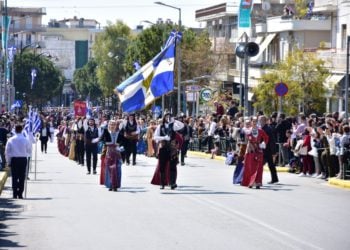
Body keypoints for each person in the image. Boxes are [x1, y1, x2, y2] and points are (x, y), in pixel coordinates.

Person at [241, 117, 269, 189]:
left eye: (256, 121)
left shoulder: (260, 131)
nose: (254, 123)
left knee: (259, 167)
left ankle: (258, 182)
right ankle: (251, 182)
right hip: (251, 150)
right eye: (253, 121)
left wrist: (263, 143)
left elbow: (266, 137)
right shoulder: (248, 130)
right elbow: (245, 136)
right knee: (251, 167)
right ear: (251, 122)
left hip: (259, 150)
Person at [5, 124, 31, 199]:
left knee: (15, 177)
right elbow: (29, 150)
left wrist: (8, 161)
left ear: (15, 130)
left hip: (14, 160)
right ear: (21, 130)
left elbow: (7, 152)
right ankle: (20, 193)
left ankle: (15, 193)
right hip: (23, 159)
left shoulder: (11, 140)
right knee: (22, 177)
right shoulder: (25, 140)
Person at [99, 120, 124, 191]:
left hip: (117, 154)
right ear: (109, 125)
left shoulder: (119, 133)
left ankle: (115, 185)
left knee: (117, 169)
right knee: (109, 169)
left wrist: (120, 148)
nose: (112, 126)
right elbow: (101, 140)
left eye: (114, 124)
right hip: (109, 153)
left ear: (116, 125)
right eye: (111, 124)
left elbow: (124, 143)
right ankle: (110, 185)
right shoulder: (106, 133)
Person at [259, 115, 279, 184]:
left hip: (267, 150)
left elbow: (271, 140)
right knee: (270, 165)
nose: (259, 121)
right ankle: (274, 178)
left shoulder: (267, 129)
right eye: (259, 120)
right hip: (265, 149)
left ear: (264, 121)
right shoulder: (263, 128)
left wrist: (274, 151)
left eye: (261, 120)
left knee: (261, 165)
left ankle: (257, 179)